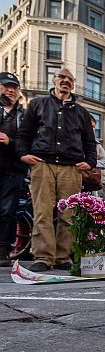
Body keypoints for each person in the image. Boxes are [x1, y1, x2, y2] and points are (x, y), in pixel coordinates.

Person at [15, 69, 97, 272]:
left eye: (70, 79)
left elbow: (90, 142)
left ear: (74, 84)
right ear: (54, 80)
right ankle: (43, 257)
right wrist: (23, 154)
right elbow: (24, 133)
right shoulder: (37, 105)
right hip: (43, 163)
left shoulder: (82, 113)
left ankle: (63, 258)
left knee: (68, 214)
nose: (66, 81)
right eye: (62, 78)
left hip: (71, 167)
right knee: (42, 211)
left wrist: (91, 162)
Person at [0, 72, 27, 266]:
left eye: (14, 87)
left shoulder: (24, 116)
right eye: (6, 86)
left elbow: (29, 143)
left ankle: (3, 250)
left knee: (7, 210)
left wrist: (10, 142)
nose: (10, 90)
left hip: (13, 170)